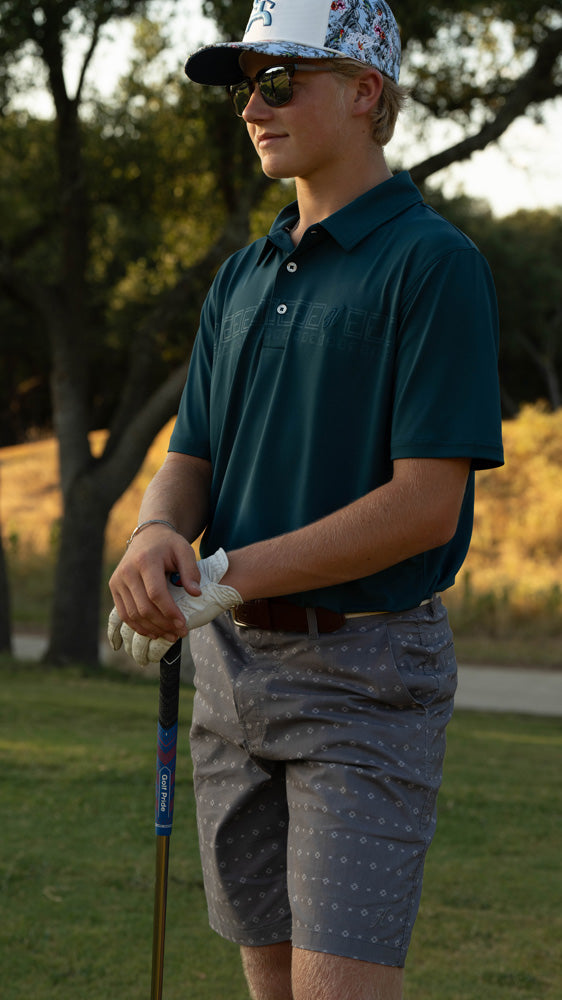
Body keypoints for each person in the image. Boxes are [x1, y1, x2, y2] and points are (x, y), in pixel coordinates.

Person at [108, 1, 504, 997]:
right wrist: (158, 530)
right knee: (271, 983)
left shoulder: (433, 264)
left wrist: (221, 575)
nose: (252, 105)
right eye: (246, 84)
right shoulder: (242, 275)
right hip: (231, 666)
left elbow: (423, 506)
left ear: (366, 91)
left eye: (279, 80)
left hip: (365, 674)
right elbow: (192, 452)